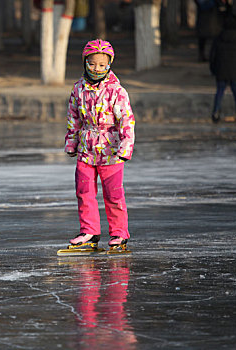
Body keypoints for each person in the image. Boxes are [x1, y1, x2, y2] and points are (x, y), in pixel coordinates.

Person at [64, 39, 135, 252]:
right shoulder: (78, 89)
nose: (97, 69)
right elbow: (73, 118)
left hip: (111, 151)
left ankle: (119, 233)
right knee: (84, 191)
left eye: (102, 65)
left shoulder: (117, 91)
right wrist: (71, 142)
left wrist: (125, 147)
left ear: (109, 65)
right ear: (85, 62)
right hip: (86, 150)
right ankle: (89, 231)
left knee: (113, 194)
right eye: (93, 64)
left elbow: (127, 120)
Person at [209, 16, 236, 122]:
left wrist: (213, 69)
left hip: (221, 70)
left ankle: (216, 112)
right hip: (235, 71)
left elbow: (212, 56)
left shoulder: (218, 39)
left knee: (220, 92)